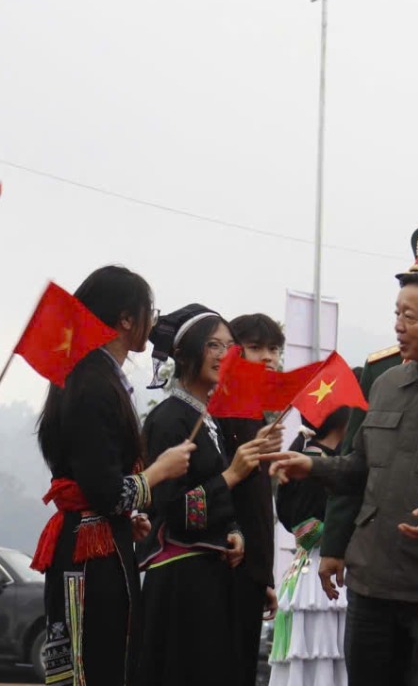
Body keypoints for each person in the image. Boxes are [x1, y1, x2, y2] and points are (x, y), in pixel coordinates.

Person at [266, 268, 418, 686]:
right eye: (396, 314)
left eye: (410, 316)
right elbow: (358, 468)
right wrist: (312, 465)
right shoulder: (386, 383)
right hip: (371, 584)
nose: (398, 325)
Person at [33, 266, 195, 685]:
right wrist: (158, 472)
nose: (152, 322)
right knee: (94, 668)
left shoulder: (95, 377)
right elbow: (104, 491)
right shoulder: (92, 384)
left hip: (99, 543)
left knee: (110, 663)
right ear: (126, 319)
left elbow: (106, 494)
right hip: (88, 557)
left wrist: (127, 516)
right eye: (149, 311)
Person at [136, 305, 282, 686]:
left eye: (229, 347)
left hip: (210, 579)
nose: (223, 355)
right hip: (180, 584)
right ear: (185, 354)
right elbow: (173, 512)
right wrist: (233, 474)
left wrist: (234, 530)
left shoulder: (210, 420)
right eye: (213, 345)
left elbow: (212, 494)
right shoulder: (170, 419)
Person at [318, 226, 418, 603]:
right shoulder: (381, 372)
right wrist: (334, 545)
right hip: (377, 561)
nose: (401, 322)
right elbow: (356, 463)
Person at [222, 312, 286, 686]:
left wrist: (265, 577)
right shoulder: (220, 413)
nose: (268, 357)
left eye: (274, 349)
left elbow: (260, 507)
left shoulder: (255, 413)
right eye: (256, 348)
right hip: (225, 570)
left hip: (251, 575)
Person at [270, 405, 352, 686]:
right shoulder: (313, 462)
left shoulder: (320, 458)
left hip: (321, 577)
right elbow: (305, 531)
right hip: (319, 578)